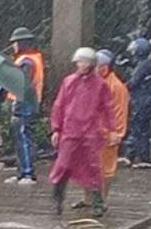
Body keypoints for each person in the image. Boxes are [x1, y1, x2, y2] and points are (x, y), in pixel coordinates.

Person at [49, 47, 115, 217]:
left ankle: (98, 203)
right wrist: (56, 129)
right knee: (63, 165)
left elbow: (108, 108)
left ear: (91, 63)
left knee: (93, 167)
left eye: (82, 61)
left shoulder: (100, 85)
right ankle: (58, 198)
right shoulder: (69, 81)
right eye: (78, 62)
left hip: (90, 132)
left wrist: (112, 129)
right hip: (70, 131)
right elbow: (59, 105)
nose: (79, 65)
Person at [7, 26, 45, 185]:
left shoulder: (27, 62)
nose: (13, 46)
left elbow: (23, 85)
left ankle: (28, 172)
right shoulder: (30, 59)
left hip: (25, 105)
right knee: (21, 138)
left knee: (24, 138)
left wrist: (17, 103)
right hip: (27, 103)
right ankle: (22, 171)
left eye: (15, 42)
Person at [95, 49, 130, 204]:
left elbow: (120, 111)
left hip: (108, 134)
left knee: (106, 170)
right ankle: (89, 199)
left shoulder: (116, 87)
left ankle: (102, 200)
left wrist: (116, 133)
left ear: (104, 68)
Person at [125, 38, 151, 168]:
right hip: (149, 99)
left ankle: (144, 158)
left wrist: (121, 88)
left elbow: (133, 82)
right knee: (139, 128)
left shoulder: (143, 65)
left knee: (139, 129)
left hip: (142, 100)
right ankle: (131, 155)